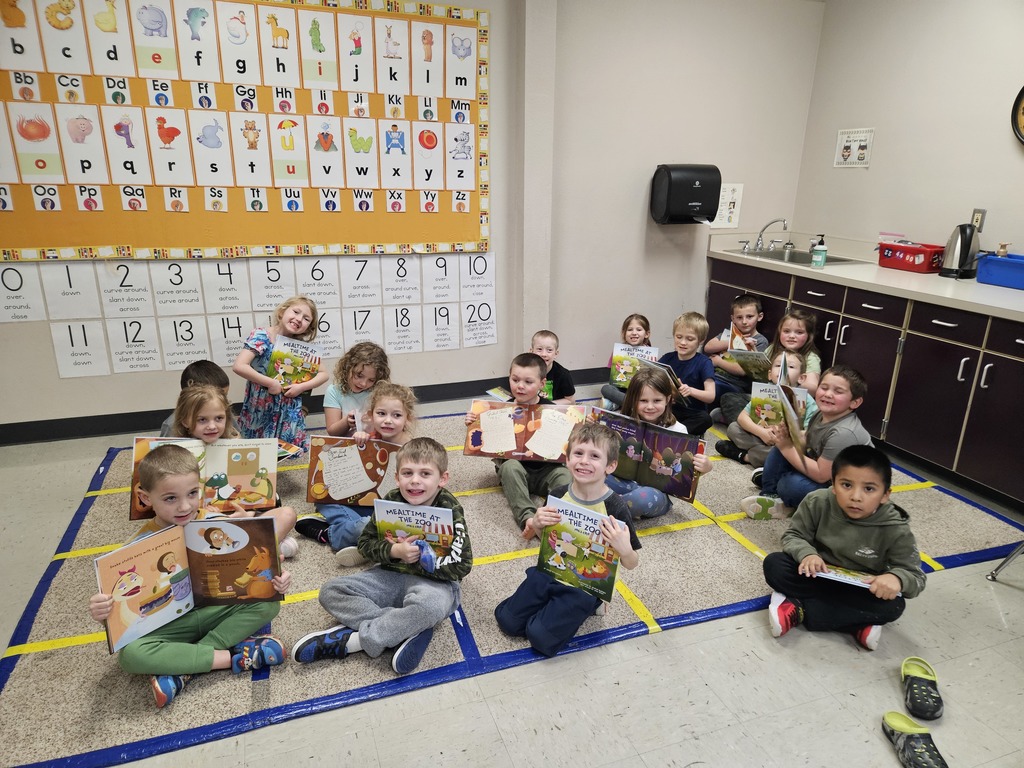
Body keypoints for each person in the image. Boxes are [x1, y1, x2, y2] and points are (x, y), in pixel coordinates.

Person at [88, 445, 291, 708]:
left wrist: (278, 578)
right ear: (145, 497)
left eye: (193, 493)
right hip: (171, 625)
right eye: (170, 498)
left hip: (214, 610)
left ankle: (186, 666)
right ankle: (229, 656)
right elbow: (122, 619)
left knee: (269, 602)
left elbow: (255, 571)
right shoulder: (135, 547)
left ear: (201, 487)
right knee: (130, 656)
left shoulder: (216, 523)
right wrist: (103, 610)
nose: (185, 506)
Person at [291, 437, 471, 675]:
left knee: (430, 607)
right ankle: (405, 629)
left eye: (425, 474)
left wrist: (426, 562)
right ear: (397, 477)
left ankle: (354, 641)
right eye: (407, 473)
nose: (415, 480)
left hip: (433, 582)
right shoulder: (390, 501)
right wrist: (394, 552)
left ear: (442, 479)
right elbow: (365, 544)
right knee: (331, 591)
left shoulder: (450, 508)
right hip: (390, 573)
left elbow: (463, 565)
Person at [494, 422, 640, 657]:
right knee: (507, 622)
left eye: (594, 456)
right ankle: (549, 606)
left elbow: (632, 562)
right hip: (551, 569)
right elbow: (547, 540)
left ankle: (595, 604)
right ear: (567, 458)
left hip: (585, 585)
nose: (584, 461)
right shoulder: (558, 493)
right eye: (578, 453)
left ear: (610, 466)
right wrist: (538, 525)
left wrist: (624, 550)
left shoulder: (615, 506)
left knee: (540, 639)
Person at [762, 444, 926, 651]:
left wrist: (897, 578)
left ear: (885, 494)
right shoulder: (817, 501)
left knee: (893, 607)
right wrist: (808, 554)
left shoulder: (896, 527)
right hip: (817, 575)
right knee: (775, 564)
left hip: (859, 588)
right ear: (833, 484)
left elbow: (916, 576)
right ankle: (855, 623)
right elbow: (793, 536)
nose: (856, 496)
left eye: (869, 489)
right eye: (846, 485)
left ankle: (799, 609)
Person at [169, 385, 299, 557]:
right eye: (202, 420)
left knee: (288, 514)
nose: (212, 426)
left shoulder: (235, 443)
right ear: (185, 421)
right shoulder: (176, 452)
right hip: (200, 524)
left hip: (240, 518)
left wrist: (248, 514)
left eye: (219, 418)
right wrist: (204, 515)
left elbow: (252, 498)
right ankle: (258, 548)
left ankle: (244, 548)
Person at [297, 382, 416, 567]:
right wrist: (358, 443)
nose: (388, 420)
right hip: (367, 504)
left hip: (392, 512)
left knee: (368, 525)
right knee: (323, 499)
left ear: (408, 419)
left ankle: (330, 534)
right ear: (370, 415)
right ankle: (369, 543)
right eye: (381, 413)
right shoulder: (370, 437)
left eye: (397, 415)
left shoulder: (414, 449)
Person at [741, 365, 872, 519]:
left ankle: (785, 496)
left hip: (847, 491)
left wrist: (786, 447)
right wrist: (789, 435)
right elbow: (808, 437)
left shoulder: (844, 433)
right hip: (828, 475)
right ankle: (770, 494)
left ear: (855, 403)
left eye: (838, 391)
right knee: (784, 444)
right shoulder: (820, 413)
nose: (828, 394)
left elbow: (821, 475)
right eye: (824, 387)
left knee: (791, 485)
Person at [466, 352, 572, 536]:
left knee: (565, 476)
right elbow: (484, 442)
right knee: (509, 468)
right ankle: (528, 520)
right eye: (515, 380)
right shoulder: (499, 410)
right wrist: (474, 423)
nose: (520, 386)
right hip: (516, 470)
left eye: (528, 382)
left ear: (541, 383)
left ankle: (549, 518)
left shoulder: (553, 411)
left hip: (547, 470)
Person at [606, 367, 712, 518]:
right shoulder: (621, 421)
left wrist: (705, 467)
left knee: (642, 498)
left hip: (655, 493)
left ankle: (607, 506)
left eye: (657, 400)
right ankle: (614, 505)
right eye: (643, 401)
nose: (650, 406)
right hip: (623, 481)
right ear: (633, 399)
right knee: (592, 475)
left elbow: (684, 473)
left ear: (668, 399)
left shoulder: (678, 429)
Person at [233, 296, 330, 448]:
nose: (299, 319)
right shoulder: (261, 336)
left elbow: (324, 374)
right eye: (296, 312)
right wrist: (270, 383)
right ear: (282, 312)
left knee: (284, 450)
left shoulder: (300, 347)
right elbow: (239, 365)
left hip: (287, 409)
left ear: (309, 327)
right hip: (260, 405)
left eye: (306, 319)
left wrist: (301, 387)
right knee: (256, 448)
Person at [716, 350, 817, 469]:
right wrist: (761, 432)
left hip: (785, 445)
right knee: (734, 428)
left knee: (793, 453)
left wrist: (785, 437)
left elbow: (810, 432)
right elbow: (742, 417)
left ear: (801, 378)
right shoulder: (764, 392)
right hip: (761, 436)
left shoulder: (807, 399)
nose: (782, 369)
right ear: (769, 374)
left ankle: (746, 456)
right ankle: (763, 456)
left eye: (790, 366)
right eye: (778, 365)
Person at [719, 308, 822, 424]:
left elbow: (812, 388)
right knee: (729, 398)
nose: (792, 336)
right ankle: (745, 424)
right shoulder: (773, 348)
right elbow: (761, 368)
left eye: (799, 332)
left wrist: (789, 382)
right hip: (765, 398)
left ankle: (739, 424)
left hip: (790, 405)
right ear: (780, 332)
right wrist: (752, 352)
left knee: (739, 421)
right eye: (787, 331)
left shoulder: (810, 357)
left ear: (809, 335)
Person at [703, 293, 769, 412]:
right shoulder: (728, 334)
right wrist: (733, 340)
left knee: (711, 390)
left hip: (734, 385)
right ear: (733, 319)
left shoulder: (759, 341)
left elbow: (743, 370)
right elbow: (708, 347)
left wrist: (718, 362)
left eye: (749, 317)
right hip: (713, 376)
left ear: (759, 316)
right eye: (739, 318)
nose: (744, 322)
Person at [657, 312, 716, 436]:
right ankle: (669, 430)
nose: (683, 342)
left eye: (690, 339)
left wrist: (690, 391)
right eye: (679, 337)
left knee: (705, 419)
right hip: (669, 409)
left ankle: (671, 433)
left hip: (692, 413)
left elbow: (710, 395)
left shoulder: (704, 363)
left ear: (701, 340)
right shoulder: (667, 358)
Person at [323, 342, 391, 437]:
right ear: (347, 367)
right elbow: (332, 431)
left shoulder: (379, 392)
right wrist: (346, 422)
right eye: (359, 376)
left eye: (371, 380)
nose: (363, 383)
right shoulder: (334, 391)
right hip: (346, 445)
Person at [160, 360, 230, 437]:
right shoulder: (170, 426)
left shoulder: (223, 413)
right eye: (202, 420)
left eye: (225, 396)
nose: (212, 426)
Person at [600, 313, 653, 411]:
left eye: (639, 329)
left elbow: (654, 377)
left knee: (650, 393)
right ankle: (633, 404)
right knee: (605, 388)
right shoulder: (619, 351)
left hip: (640, 389)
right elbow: (612, 375)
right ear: (624, 333)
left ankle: (618, 403)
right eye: (630, 330)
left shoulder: (650, 353)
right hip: (621, 388)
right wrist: (618, 369)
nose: (634, 333)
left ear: (646, 334)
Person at [530, 329, 576, 404]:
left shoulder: (563, 375)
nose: (544, 354)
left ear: (556, 354)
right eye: (539, 349)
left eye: (549, 350)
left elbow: (570, 400)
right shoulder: (527, 371)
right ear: (532, 352)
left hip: (555, 410)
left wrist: (546, 405)